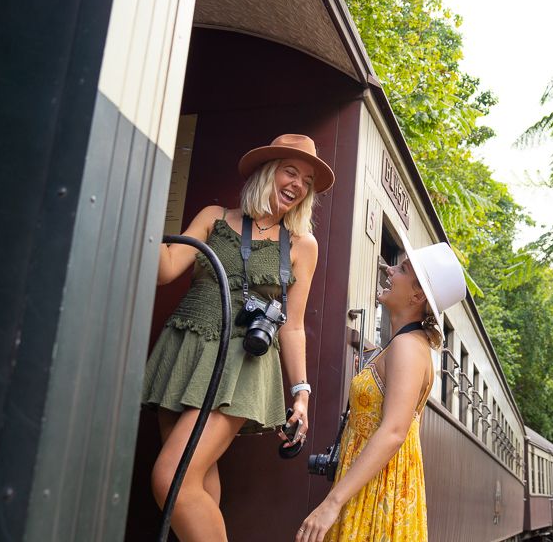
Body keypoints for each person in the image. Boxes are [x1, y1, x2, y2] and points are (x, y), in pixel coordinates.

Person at [142, 134, 335, 542]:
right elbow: (165, 269)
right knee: (196, 483)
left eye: (306, 180)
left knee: (171, 477)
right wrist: (141, 194)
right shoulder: (214, 217)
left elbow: (294, 324)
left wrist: (301, 393)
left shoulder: (303, 245)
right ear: (268, 173)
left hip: (241, 364)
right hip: (185, 348)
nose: (298, 185)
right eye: (290, 171)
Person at [296, 239, 467, 542]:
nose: (389, 270)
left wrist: (331, 504)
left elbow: (395, 432)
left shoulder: (407, 348)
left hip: (376, 493)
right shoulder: (408, 345)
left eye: (401, 269)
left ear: (417, 295)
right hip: (375, 486)